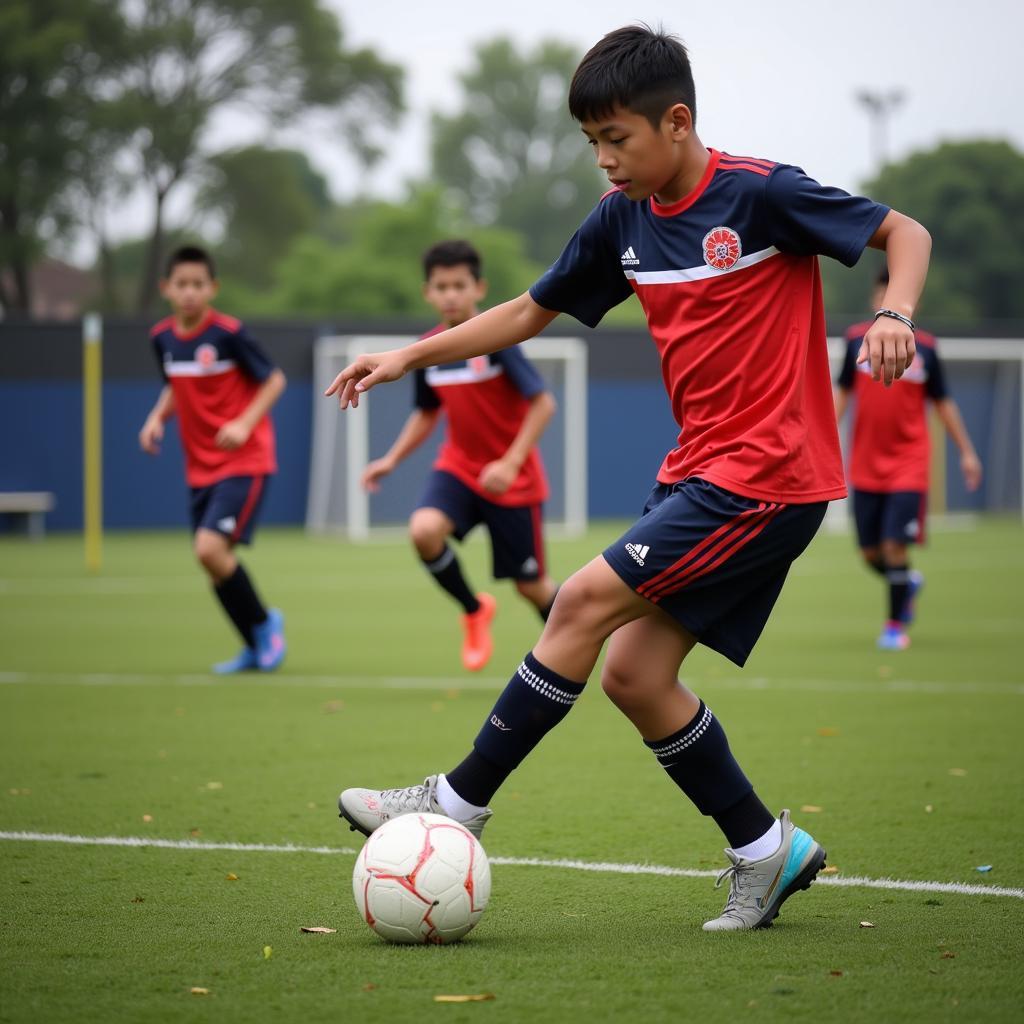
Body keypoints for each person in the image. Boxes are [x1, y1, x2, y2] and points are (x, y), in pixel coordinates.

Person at [326, 25, 930, 931]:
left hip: (768, 478)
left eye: (618, 140)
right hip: (698, 474)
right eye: (591, 144)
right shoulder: (621, 220)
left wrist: (894, 310)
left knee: (575, 603)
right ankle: (767, 853)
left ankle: (453, 804)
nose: (604, 161)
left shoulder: (761, 194)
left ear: (677, 122)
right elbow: (530, 309)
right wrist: (411, 356)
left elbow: (902, 231)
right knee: (636, 677)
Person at [361, 241, 559, 672]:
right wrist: (391, 459)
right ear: (427, 293)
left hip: (513, 480)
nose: (450, 294)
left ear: (478, 289)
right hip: (459, 469)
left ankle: (577, 645)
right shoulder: (428, 351)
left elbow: (543, 404)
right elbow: (427, 412)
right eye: (441, 286)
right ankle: (473, 610)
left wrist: (509, 462)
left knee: (531, 588)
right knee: (424, 531)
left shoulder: (498, 338)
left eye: (459, 285)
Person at [139, 245, 287, 674]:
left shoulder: (229, 333)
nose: (189, 292)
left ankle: (264, 624)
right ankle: (252, 645)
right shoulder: (162, 338)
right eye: (181, 284)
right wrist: (156, 418)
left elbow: (273, 380)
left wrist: (243, 423)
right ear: (166, 287)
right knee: (212, 563)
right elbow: (176, 386)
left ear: (213, 288)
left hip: (244, 459)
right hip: (200, 467)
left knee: (209, 549)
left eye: (198, 285)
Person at [835, 268, 982, 650]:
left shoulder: (927, 348)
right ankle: (907, 585)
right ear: (874, 300)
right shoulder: (855, 343)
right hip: (864, 463)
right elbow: (841, 396)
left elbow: (944, 403)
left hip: (908, 463)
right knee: (870, 552)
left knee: (894, 548)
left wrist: (966, 452)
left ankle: (894, 627)